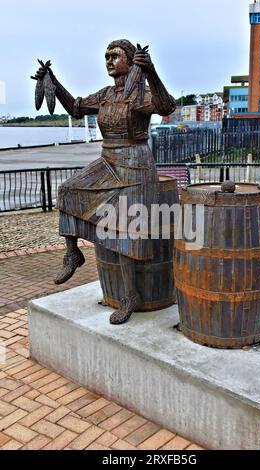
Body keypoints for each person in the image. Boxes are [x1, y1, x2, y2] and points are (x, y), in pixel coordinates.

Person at [32, 39, 176, 324]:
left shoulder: (140, 93)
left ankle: (130, 295)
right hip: (108, 160)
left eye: (115, 55)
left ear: (130, 59)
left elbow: (166, 105)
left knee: (125, 228)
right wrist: (53, 81)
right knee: (67, 191)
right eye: (106, 56)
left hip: (136, 164)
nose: (109, 60)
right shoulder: (106, 95)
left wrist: (152, 72)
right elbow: (75, 108)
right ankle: (73, 254)